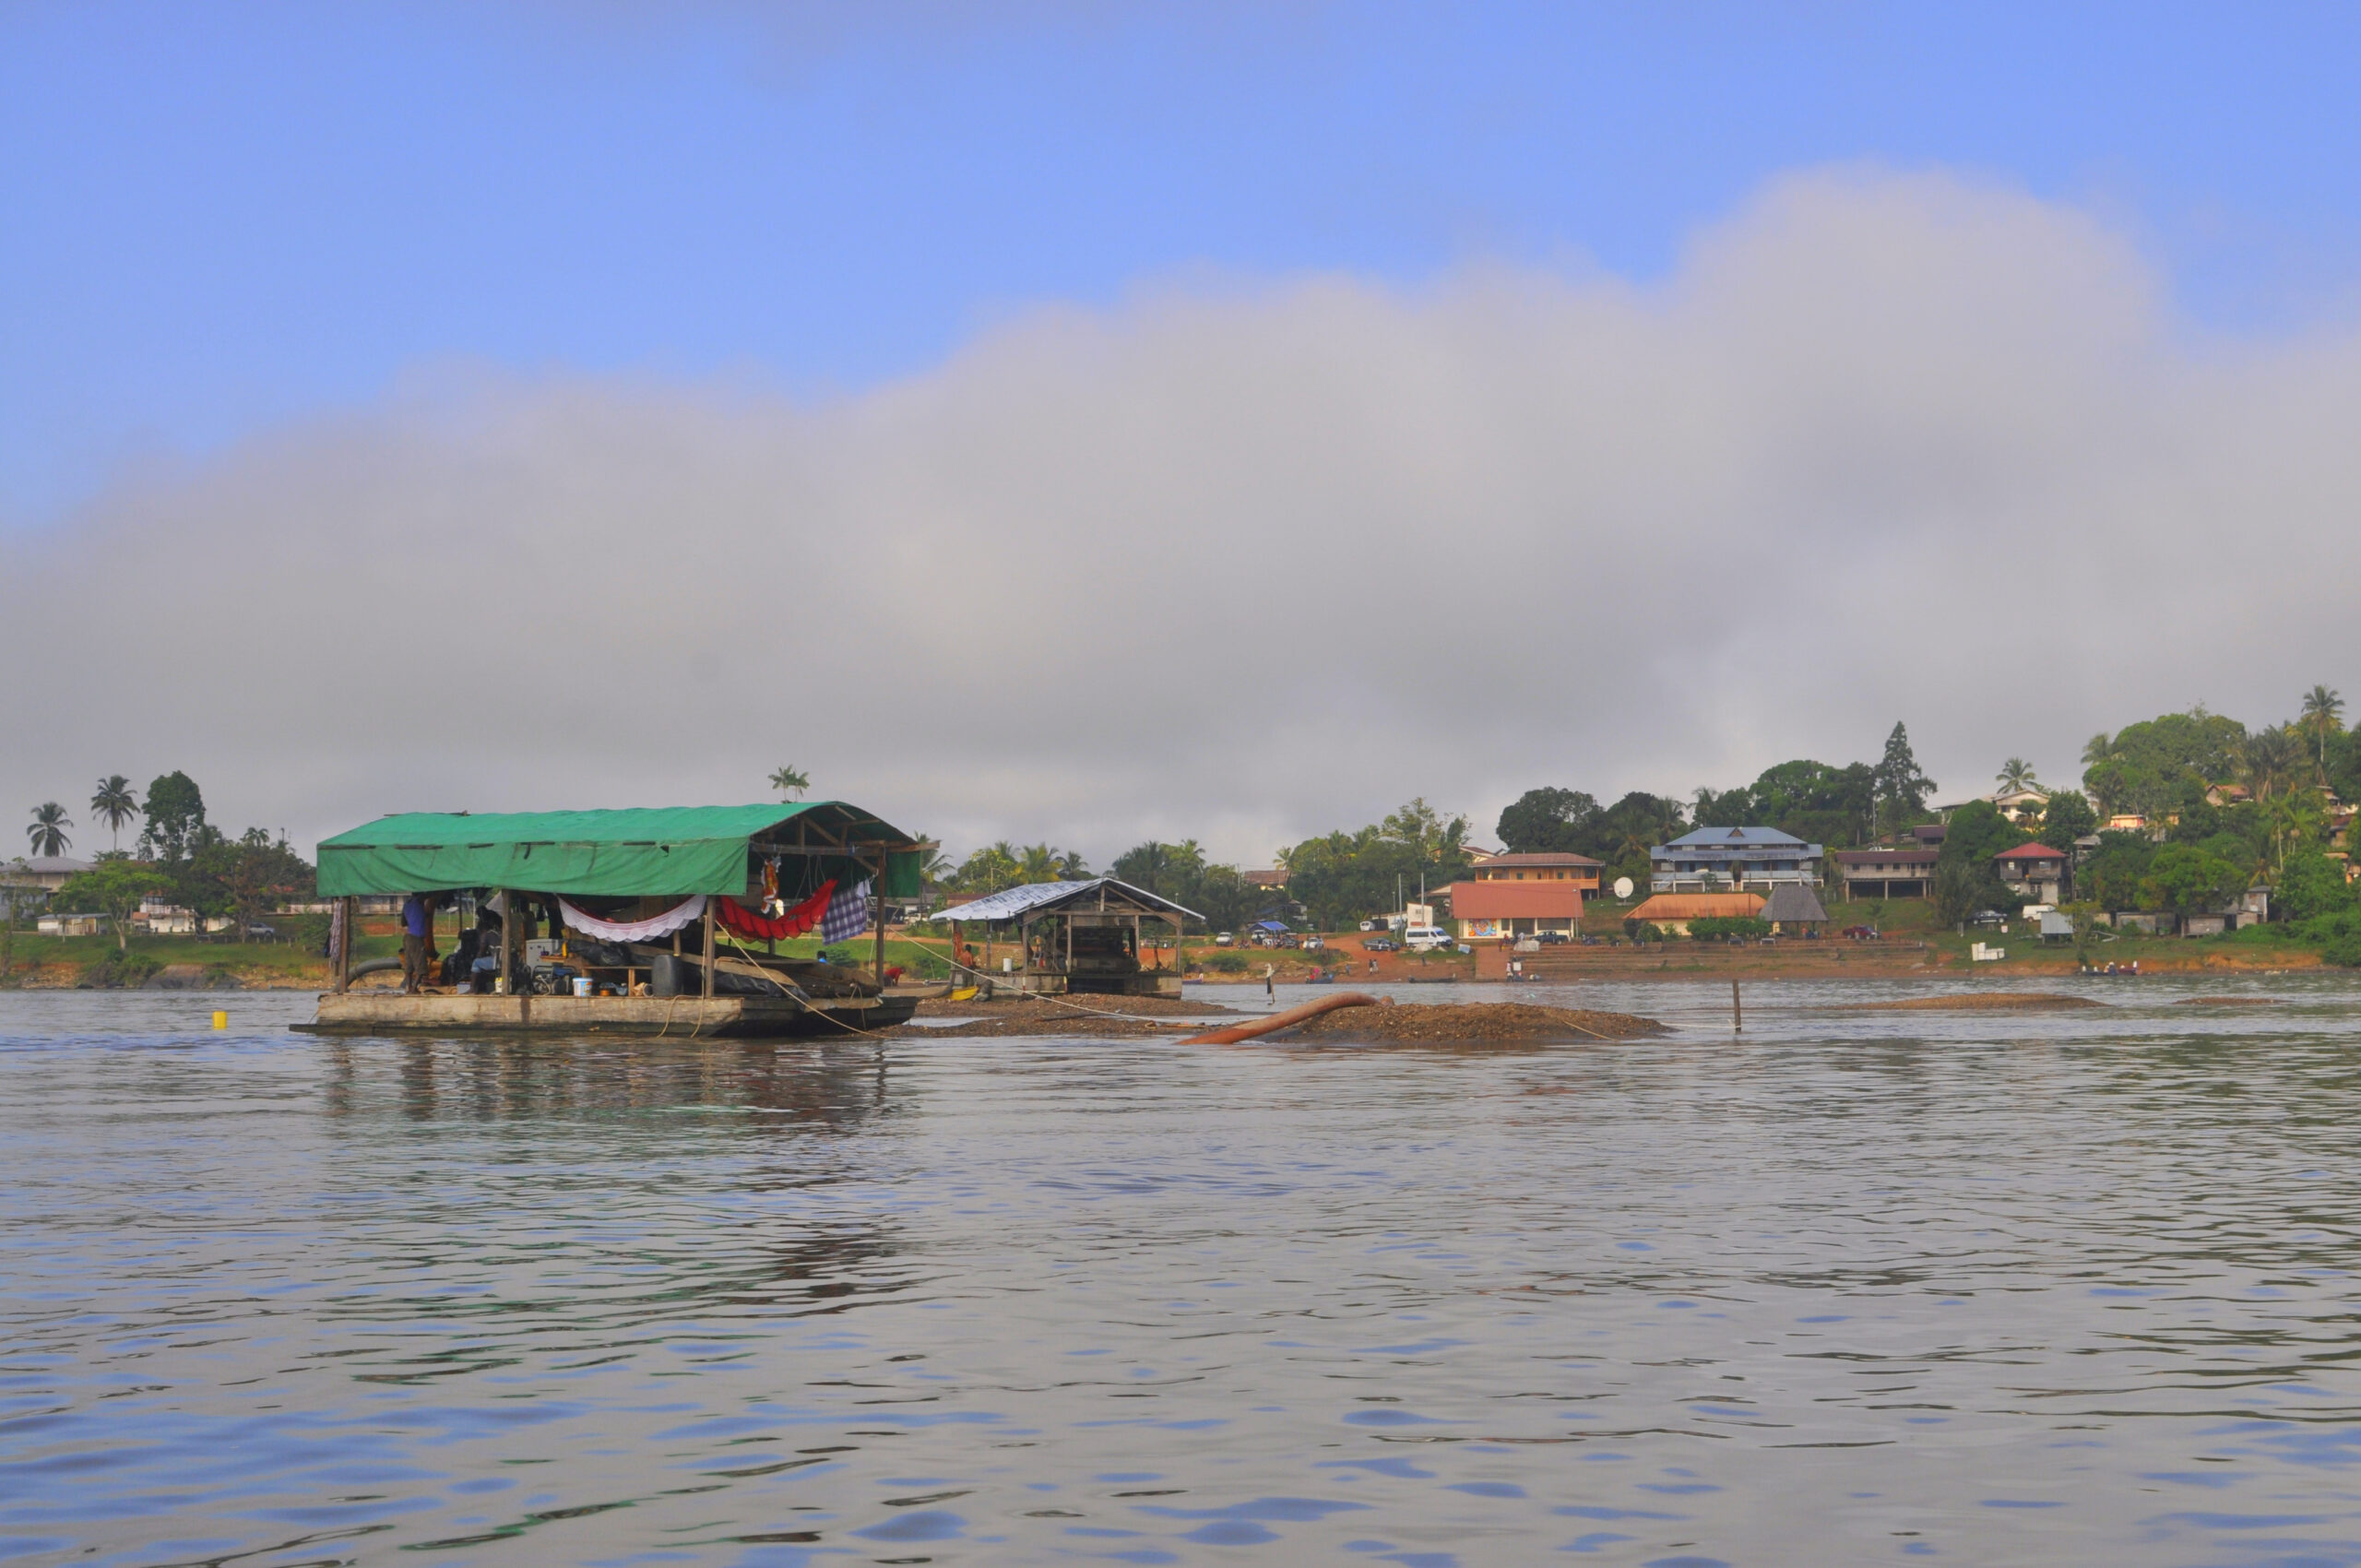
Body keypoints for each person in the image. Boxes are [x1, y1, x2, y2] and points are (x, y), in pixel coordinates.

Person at [399, 892, 434, 994]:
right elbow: (427, 895)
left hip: (408, 937)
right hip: (416, 938)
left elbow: (403, 923)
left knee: (409, 964)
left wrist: (419, 916)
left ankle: (409, 987)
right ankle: (414, 989)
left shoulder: (407, 904)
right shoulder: (418, 901)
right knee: (421, 964)